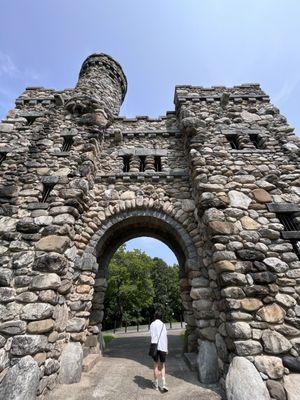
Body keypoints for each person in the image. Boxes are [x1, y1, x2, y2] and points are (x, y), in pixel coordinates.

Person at [149, 311, 168, 392]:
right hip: (163, 346)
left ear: (155, 316)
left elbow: (151, 335)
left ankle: (156, 384)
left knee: (155, 365)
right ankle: (163, 383)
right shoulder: (164, 325)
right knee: (162, 365)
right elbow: (165, 336)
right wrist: (167, 348)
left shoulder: (152, 324)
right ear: (161, 317)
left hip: (155, 347)